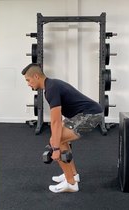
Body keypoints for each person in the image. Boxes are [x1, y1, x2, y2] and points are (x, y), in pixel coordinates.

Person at [22, 63, 103, 193]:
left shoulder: (51, 89)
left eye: (28, 80)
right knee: (57, 139)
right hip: (82, 114)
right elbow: (58, 121)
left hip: (91, 115)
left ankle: (71, 183)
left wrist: (56, 148)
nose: (28, 84)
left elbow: (55, 121)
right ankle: (72, 175)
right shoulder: (51, 85)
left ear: (36, 76)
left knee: (57, 140)